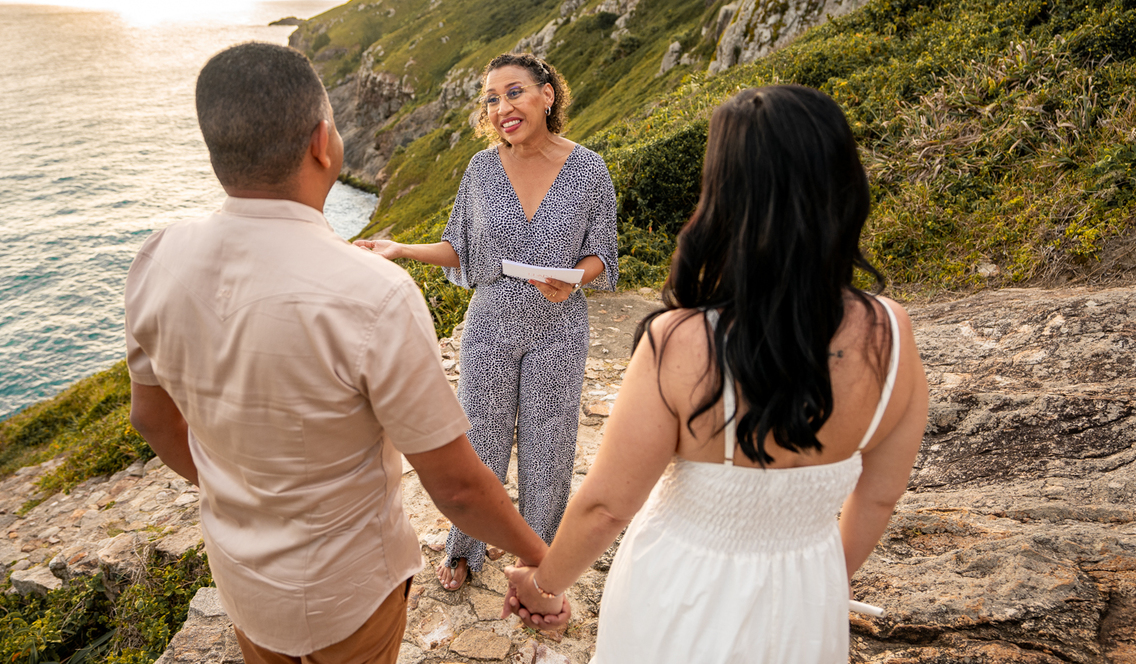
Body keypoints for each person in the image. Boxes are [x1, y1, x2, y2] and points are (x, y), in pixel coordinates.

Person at [124, 42, 552, 664]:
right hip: (350, 590)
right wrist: (544, 562)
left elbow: (150, 418)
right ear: (324, 143)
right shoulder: (373, 292)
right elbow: (456, 487)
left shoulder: (157, 259)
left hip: (243, 581)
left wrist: (239, 493)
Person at [504, 85, 930, 662]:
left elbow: (607, 507)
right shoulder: (893, 333)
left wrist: (543, 586)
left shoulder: (680, 341)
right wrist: (818, 585)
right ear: (843, 186)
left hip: (679, 596)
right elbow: (878, 499)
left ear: (726, 194)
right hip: (808, 596)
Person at [355, 53, 619, 591]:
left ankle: (539, 554)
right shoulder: (480, 170)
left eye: (514, 92)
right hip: (491, 328)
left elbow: (604, 256)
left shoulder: (589, 168)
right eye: (492, 99)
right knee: (481, 442)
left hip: (558, 329)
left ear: (548, 94)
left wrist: (574, 277)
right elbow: (460, 247)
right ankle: (465, 547)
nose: (502, 108)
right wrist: (402, 247)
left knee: (551, 443)